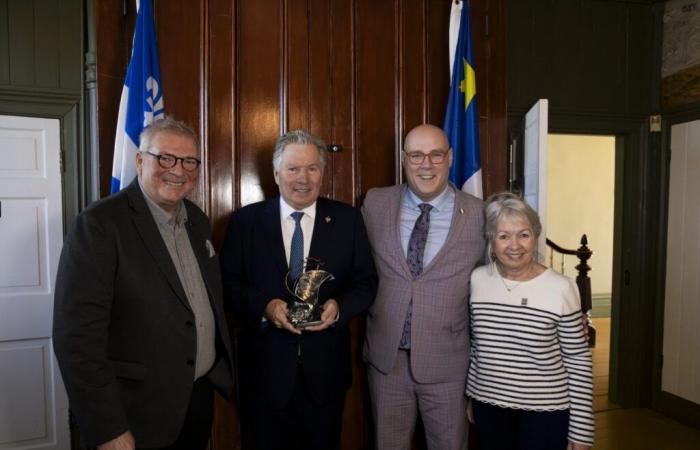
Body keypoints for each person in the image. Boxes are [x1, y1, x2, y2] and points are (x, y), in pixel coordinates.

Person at [53, 118, 234, 450]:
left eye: (189, 161)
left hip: (195, 399)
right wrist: (108, 428)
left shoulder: (197, 220)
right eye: (165, 158)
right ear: (139, 161)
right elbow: (76, 340)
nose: (178, 170)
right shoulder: (100, 225)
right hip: (134, 412)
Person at [219, 129, 377, 450]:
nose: (302, 178)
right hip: (265, 377)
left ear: (322, 172)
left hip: (325, 378)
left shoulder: (347, 220)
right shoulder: (244, 222)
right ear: (276, 173)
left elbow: (366, 282)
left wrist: (339, 308)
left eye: (312, 168)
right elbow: (228, 285)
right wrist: (265, 307)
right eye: (293, 169)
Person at [361, 123, 485, 450]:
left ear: (450, 157)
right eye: (416, 155)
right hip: (387, 363)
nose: (426, 164)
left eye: (435, 155)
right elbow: (354, 267)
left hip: (449, 364)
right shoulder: (374, 204)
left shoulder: (478, 214)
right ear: (404, 159)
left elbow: (496, 282)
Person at [466, 192, 594, 450]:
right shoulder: (478, 280)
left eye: (523, 234)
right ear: (491, 239)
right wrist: (473, 396)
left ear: (535, 237)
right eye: (504, 236)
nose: (515, 245)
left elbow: (578, 360)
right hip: (489, 407)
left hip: (545, 413)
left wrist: (581, 431)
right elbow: (477, 348)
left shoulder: (562, 288)